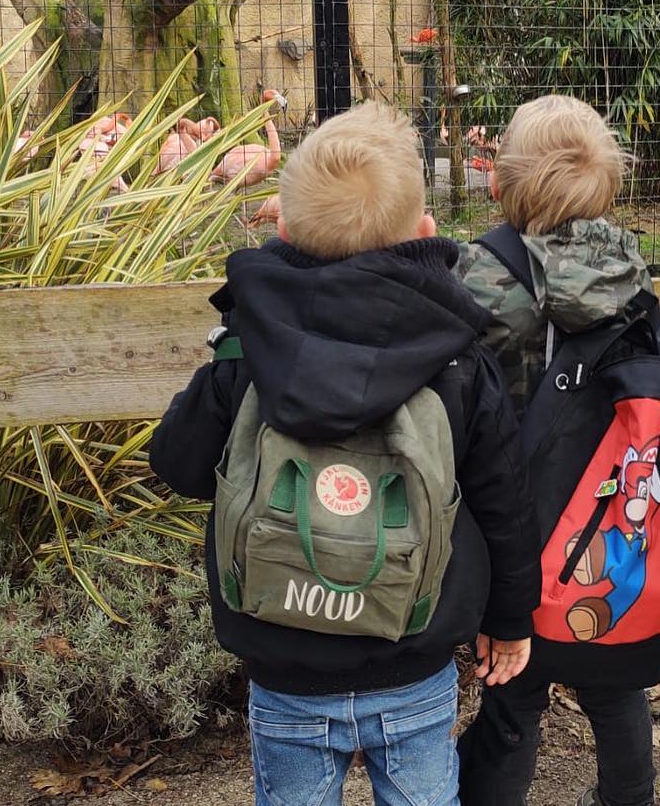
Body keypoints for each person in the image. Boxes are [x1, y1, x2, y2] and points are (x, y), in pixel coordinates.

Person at [150, 102, 540, 806]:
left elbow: (177, 463)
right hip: (413, 655)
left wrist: (220, 368)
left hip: (285, 660)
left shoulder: (246, 353)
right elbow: (505, 502)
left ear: (285, 229)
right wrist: (510, 622)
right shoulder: (459, 361)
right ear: (424, 234)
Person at [455, 95, 660, 806]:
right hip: (608, 517)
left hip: (512, 522)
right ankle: (628, 797)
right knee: (615, 686)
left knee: (512, 693)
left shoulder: (481, 278)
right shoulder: (629, 273)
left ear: (500, 181)